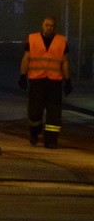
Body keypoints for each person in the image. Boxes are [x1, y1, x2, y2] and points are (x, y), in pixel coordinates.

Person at [19, 15, 72, 148]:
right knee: (34, 111)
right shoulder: (33, 39)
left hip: (54, 82)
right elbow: (26, 58)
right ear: (42, 25)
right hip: (37, 81)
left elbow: (65, 62)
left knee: (54, 112)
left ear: (55, 27)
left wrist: (68, 80)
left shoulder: (61, 41)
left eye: (51, 26)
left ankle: (51, 140)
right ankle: (34, 132)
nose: (49, 28)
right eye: (47, 25)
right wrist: (22, 75)